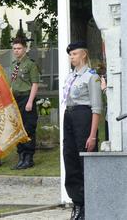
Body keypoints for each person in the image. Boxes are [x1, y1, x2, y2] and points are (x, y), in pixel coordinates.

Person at [63, 41, 102, 220]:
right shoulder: (71, 77)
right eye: (70, 55)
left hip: (83, 117)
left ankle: (89, 204)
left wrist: (92, 135)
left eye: (75, 54)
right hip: (69, 117)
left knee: (84, 160)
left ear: (83, 55)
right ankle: (77, 203)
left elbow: (96, 108)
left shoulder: (91, 76)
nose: (72, 57)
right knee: (70, 160)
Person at [10, 37, 39, 169]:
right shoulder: (13, 65)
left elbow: (34, 84)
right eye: (14, 48)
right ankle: (21, 156)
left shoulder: (30, 64)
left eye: (19, 48)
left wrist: (30, 101)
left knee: (28, 128)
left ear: (25, 49)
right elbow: (13, 83)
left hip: (26, 97)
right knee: (17, 128)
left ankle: (28, 157)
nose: (16, 51)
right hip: (15, 98)